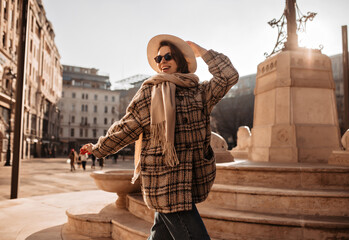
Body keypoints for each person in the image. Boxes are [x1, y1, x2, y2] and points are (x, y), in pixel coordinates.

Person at [81, 34, 239, 240]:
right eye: (159, 59)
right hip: (163, 180)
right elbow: (126, 128)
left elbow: (228, 76)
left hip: (190, 178)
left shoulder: (199, 92)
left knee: (160, 235)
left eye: (168, 57)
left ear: (181, 60)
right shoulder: (149, 92)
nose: (163, 61)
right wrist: (98, 148)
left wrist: (203, 52)